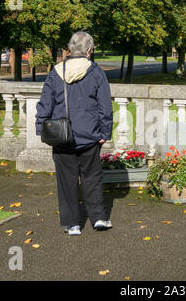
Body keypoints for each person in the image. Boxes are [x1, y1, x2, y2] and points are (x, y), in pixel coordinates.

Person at [35, 31, 113, 236]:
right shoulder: (96, 72)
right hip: (90, 136)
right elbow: (105, 106)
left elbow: (45, 105)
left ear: (70, 49)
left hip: (61, 136)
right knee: (92, 178)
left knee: (66, 180)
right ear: (89, 50)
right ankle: (98, 218)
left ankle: (72, 224)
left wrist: (41, 128)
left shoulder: (56, 72)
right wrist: (105, 132)